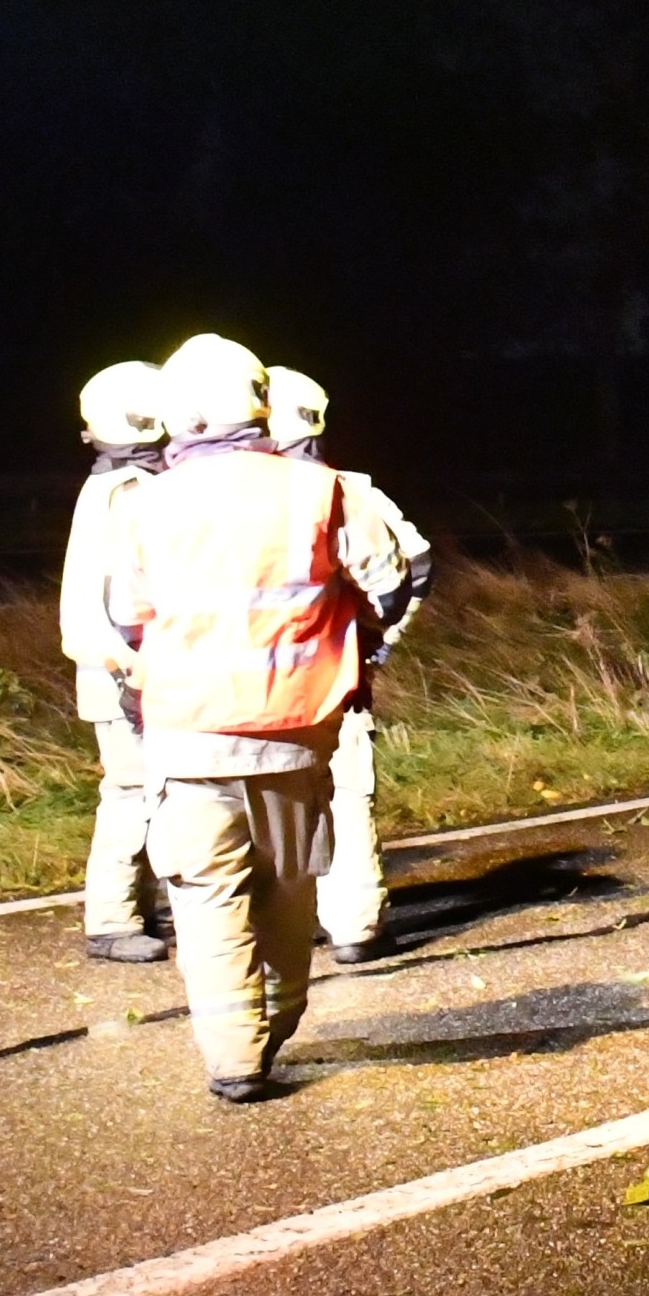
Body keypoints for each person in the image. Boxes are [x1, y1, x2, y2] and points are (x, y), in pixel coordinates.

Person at [110, 334, 387, 1103]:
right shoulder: (321, 489)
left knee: (205, 898)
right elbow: (389, 582)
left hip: (187, 737)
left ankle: (235, 1059)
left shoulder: (143, 503)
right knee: (288, 886)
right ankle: (278, 1016)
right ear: (259, 402)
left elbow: (127, 616)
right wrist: (358, 647)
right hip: (297, 733)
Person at [265, 367, 431, 965]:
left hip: (247, 690)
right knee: (343, 792)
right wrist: (371, 645)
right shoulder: (341, 490)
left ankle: (282, 929)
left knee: (266, 801)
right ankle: (354, 926)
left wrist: (372, 645)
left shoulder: (213, 492)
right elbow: (411, 567)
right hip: (332, 678)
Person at [62, 361, 172, 965]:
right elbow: (121, 597)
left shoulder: (114, 484)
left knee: (142, 791)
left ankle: (141, 910)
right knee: (134, 792)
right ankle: (112, 920)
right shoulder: (129, 491)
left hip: (117, 666)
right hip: (122, 669)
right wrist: (130, 670)